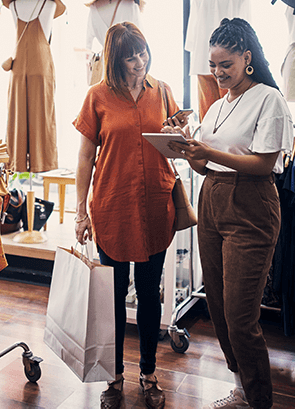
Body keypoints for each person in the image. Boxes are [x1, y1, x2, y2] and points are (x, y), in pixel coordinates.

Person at [165, 18, 293, 409]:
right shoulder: (219, 105)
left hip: (251, 204)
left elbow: (264, 163)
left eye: (227, 65)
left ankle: (259, 400)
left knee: (240, 314)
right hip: (213, 199)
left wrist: (209, 154)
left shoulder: (268, 99)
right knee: (218, 306)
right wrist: (186, 146)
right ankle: (242, 388)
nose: (218, 73)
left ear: (247, 58)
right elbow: (205, 167)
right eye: (214, 65)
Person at [73, 22, 189, 409]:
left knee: (151, 292)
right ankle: (114, 377)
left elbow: (176, 147)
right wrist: (80, 212)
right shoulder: (97, 96)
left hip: (156, 204)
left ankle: (149, 373)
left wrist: (179, 133)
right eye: (129, 56)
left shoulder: (164, 91)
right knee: (114, 297)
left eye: (142, 52)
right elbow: (85, 159)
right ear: (115, 59)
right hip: (112, 207)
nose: (139, 62)